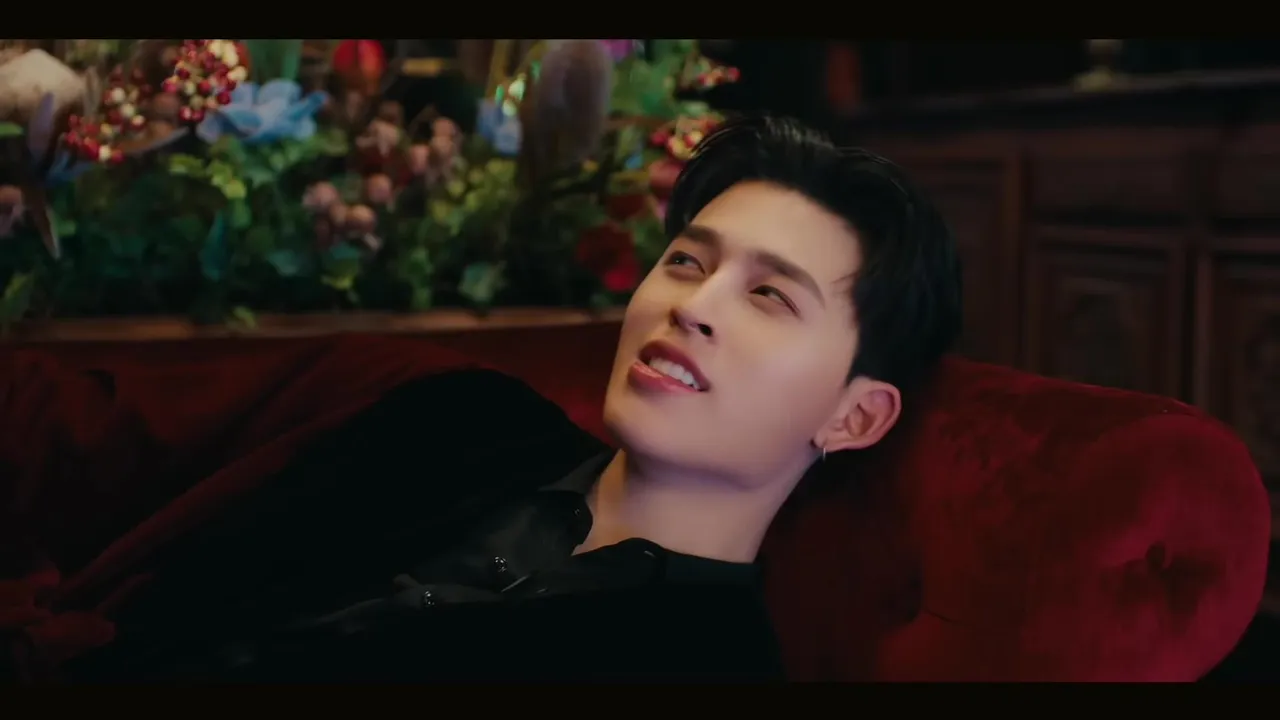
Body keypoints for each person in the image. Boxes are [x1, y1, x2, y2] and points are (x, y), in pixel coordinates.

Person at [64, 114, 962, 682]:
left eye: (769, 295)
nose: (692, 305)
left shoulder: (704, 661)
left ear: (854, 416)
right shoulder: (460, 425)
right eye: (688, 260)